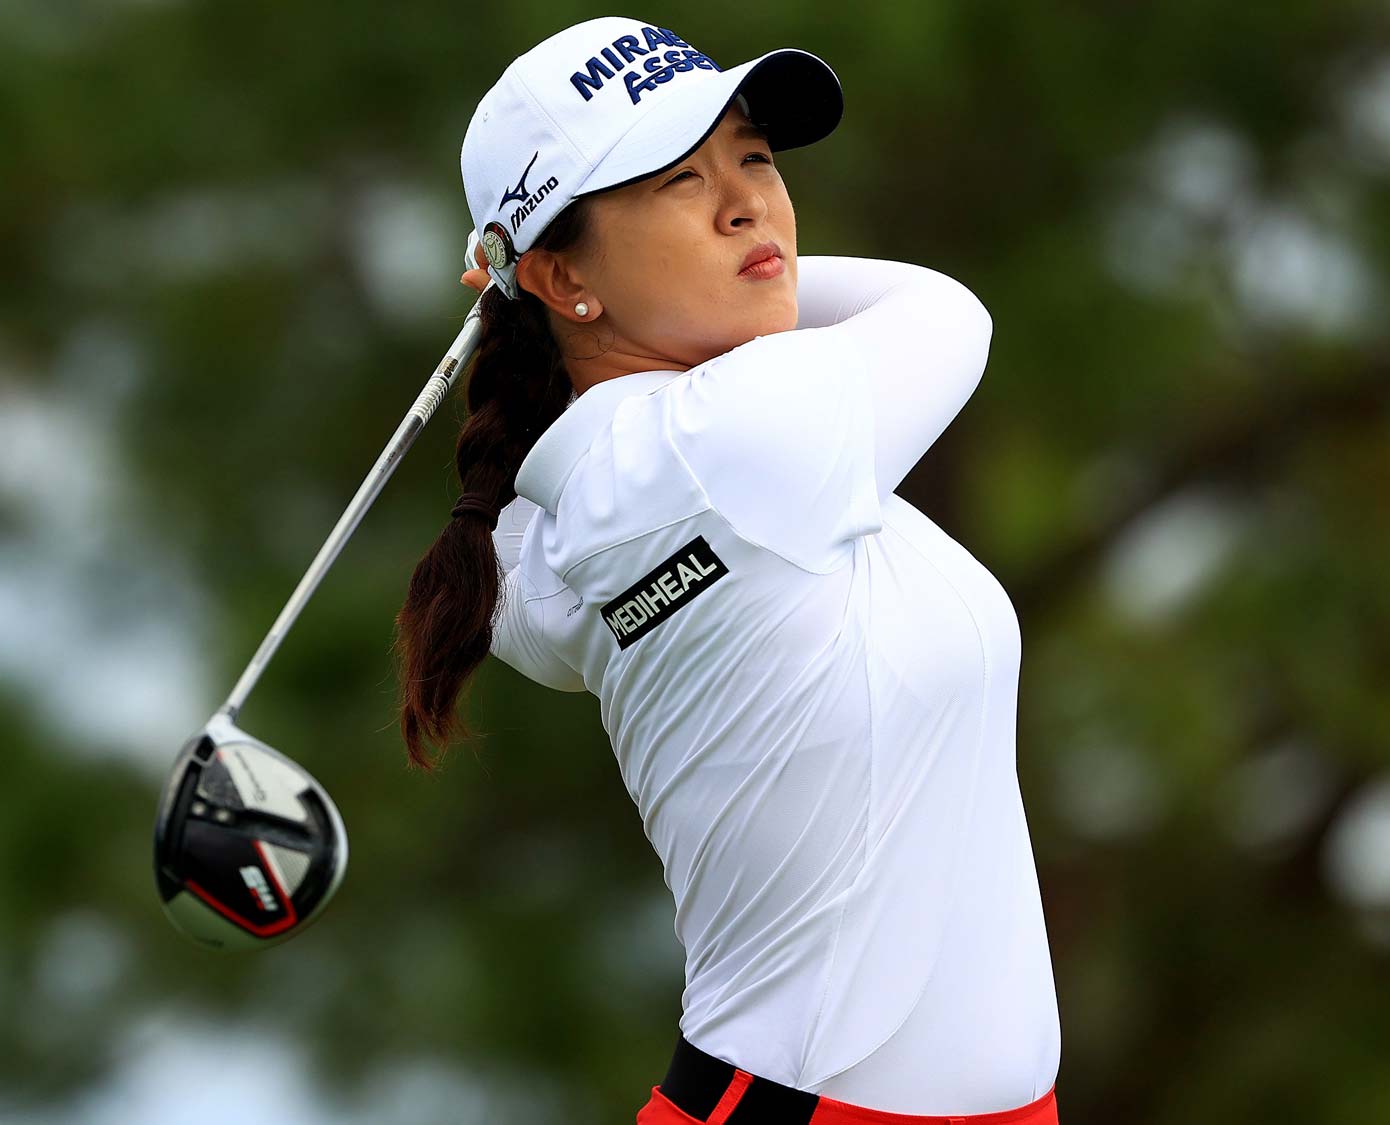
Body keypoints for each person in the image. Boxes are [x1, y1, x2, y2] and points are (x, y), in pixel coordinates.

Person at [392, 17, 1060, 1124]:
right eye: (676, 180)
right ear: (566, 269)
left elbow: (530, 561)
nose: (747, 202)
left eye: (751, 157)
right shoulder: (735, 447)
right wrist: (528, 292)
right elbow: (947, 309)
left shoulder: (583, 510)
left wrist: (535, 297)